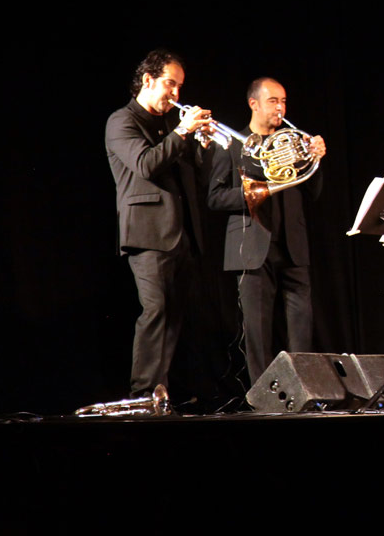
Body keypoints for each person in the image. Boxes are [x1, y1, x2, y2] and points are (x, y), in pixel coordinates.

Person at [105, 49, 216, 397]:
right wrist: (183, 133)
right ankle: (142, 392)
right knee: (156, 312)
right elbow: (147, 165)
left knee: (173, 318)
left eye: (180, 87)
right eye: (170, 84)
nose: (176, 94)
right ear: (148, 80)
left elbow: (196, 177)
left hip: (181, 234)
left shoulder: (170, 126)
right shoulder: (121, 121)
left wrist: (202, 145)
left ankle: (159, 391)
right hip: (148, 234)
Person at [206, 77, 327, 384]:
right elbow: (215, 198)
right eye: (274, 101)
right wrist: (258, 191)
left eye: (284, 101)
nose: (280, 108)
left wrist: (316, 159)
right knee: (257, 334)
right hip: (251, 247)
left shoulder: (293, 143)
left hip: (293, 246)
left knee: (301, 332)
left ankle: (306, 393)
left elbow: (313, 193)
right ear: (254, 104)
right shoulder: (232, 145)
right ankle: (262, 400)